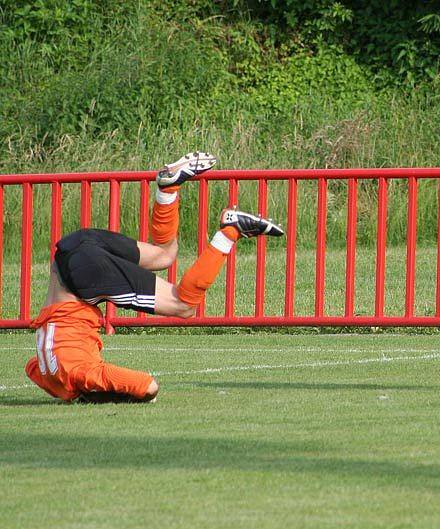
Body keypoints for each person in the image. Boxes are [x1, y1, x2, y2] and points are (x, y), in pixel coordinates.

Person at [25, 152, 284, 403]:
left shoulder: (78, 375)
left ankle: (230, 231)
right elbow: (32, 368)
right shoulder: (47, 376)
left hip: (82, 279)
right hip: (72, 248)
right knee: (163, 255)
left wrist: (117, 395)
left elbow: (147, 386)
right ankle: (167, 191)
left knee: (183, 305)